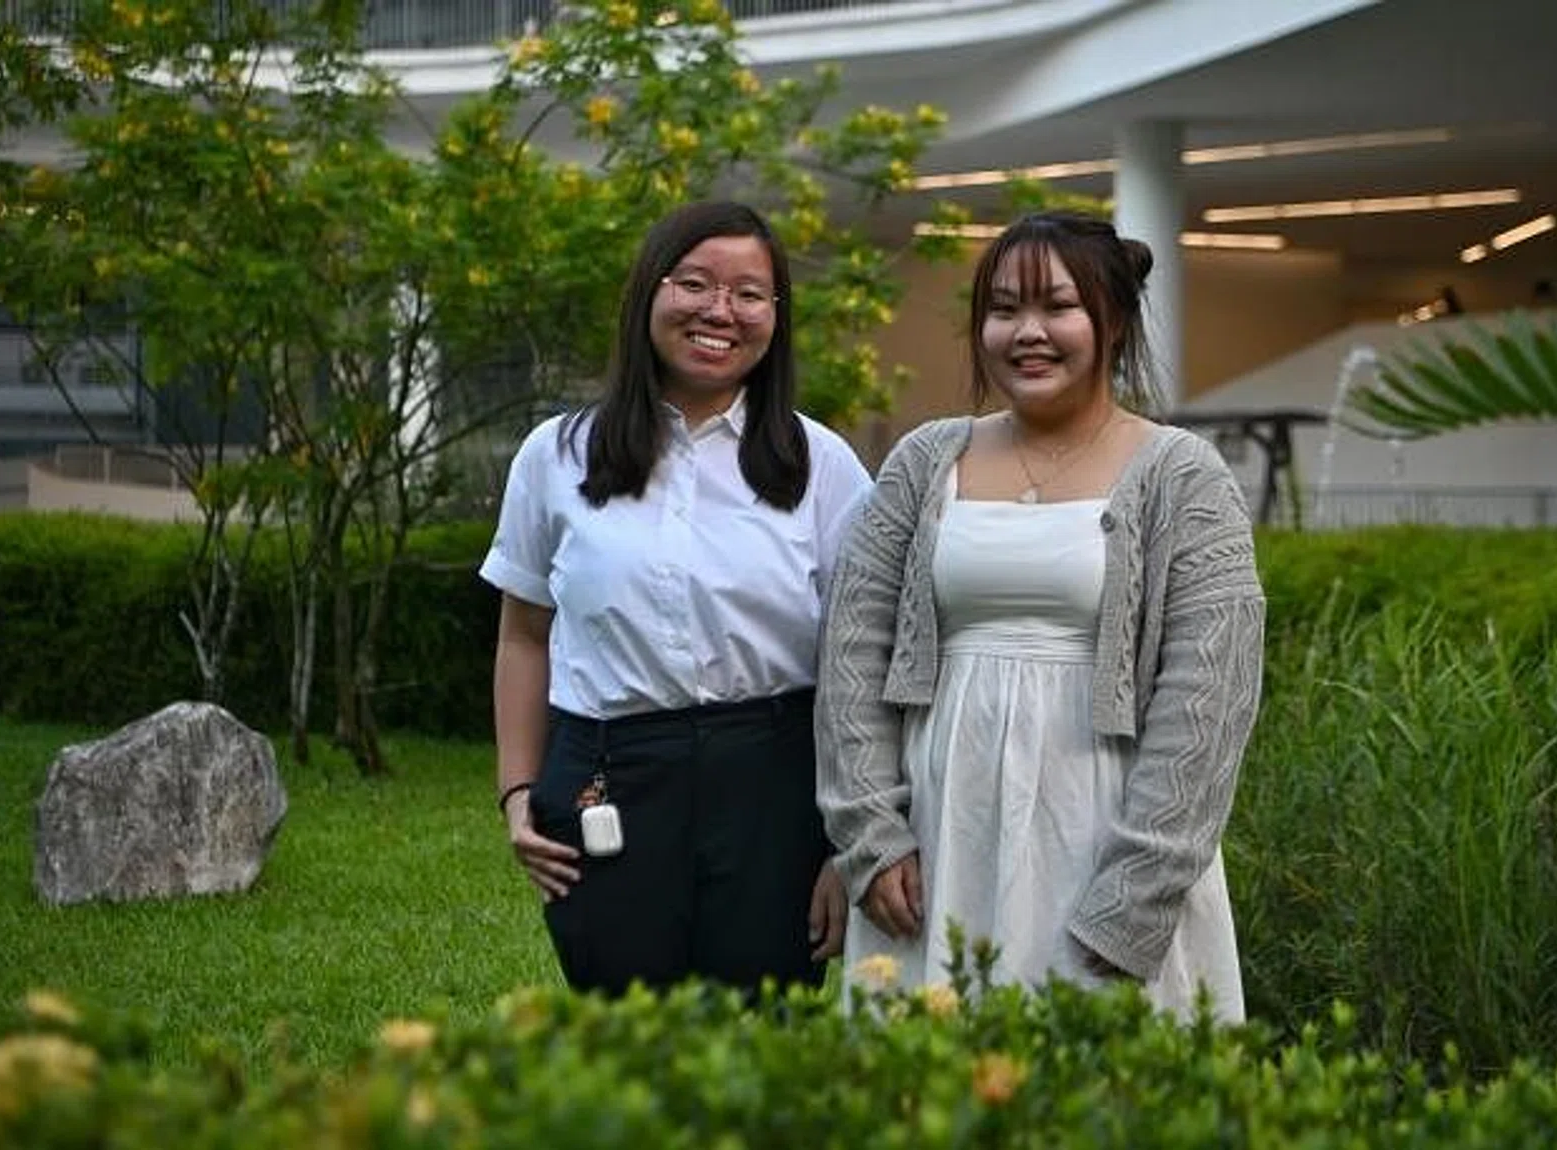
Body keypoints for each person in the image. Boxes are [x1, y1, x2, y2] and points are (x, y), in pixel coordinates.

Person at [816, 211, 1265, 1021]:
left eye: (1057, 306)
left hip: (1104, 833)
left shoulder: (1182, 476)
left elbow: (1210, 697)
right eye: (1003, 308)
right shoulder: (926, 461)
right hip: (944, 829)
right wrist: (871, 839)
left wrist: (1137, 890)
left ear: (1114, 320)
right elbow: (852, 656)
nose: (1028, 332)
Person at [480, 200, 870, 998]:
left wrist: (845, 842)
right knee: (624, 1034)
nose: (719, 311)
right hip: (608, 776)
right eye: (694, 282)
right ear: (647, 297)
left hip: (776, 780)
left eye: (750, 293)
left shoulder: (822, 465)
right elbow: (523, 634)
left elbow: (860, 661)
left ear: (776, 315)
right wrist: (518, 794)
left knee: (768, 1036)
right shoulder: (556, 456)